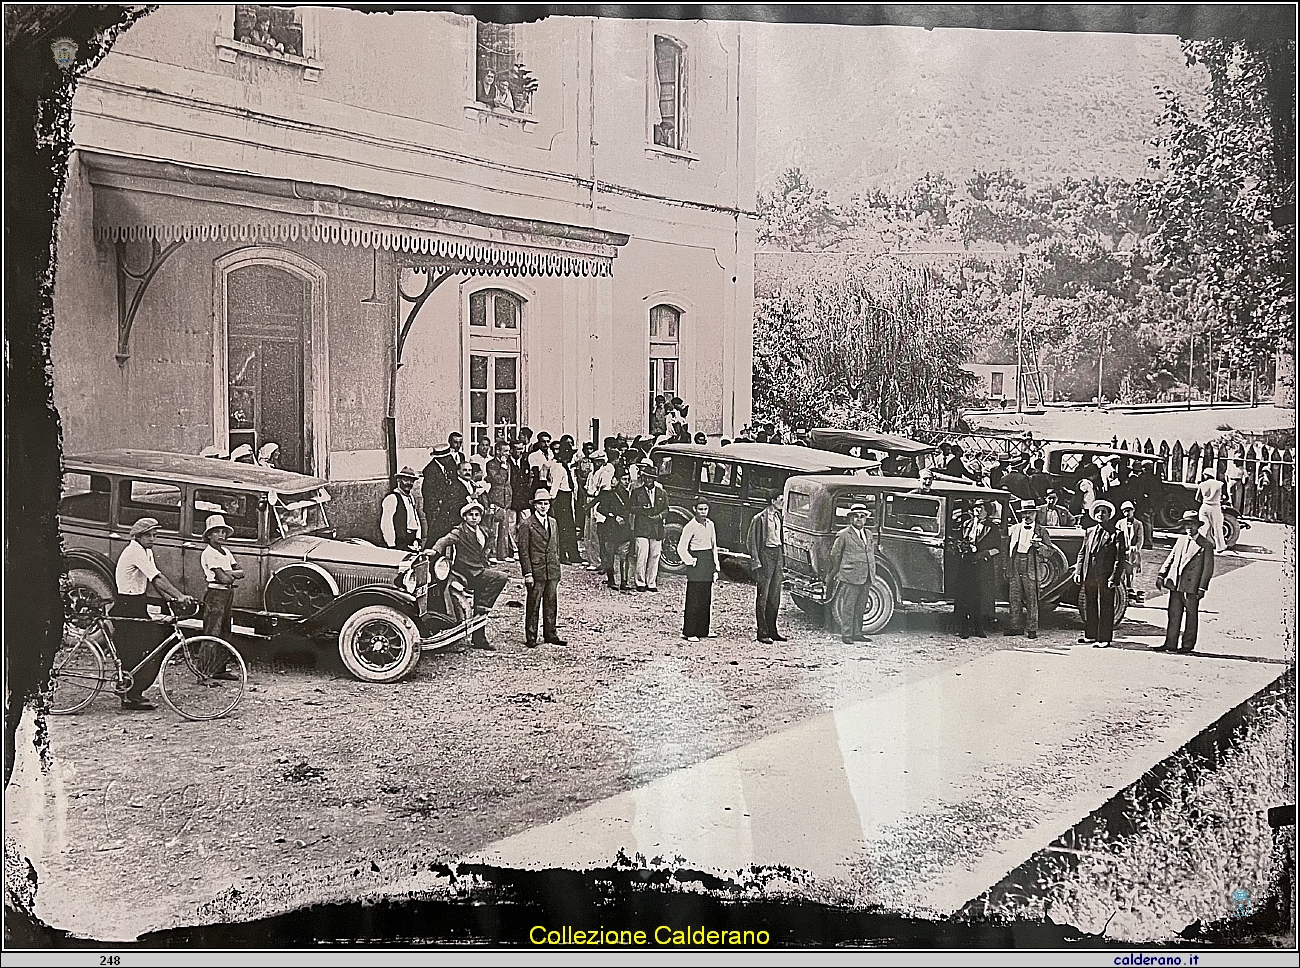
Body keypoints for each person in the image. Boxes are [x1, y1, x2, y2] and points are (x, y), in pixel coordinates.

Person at [111, 518, 197, 711]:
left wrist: (168, 600)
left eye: (154, 535)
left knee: (146, 647)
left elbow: (153, 577)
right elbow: (157, 579)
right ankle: (130, 695)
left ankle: (132, 691)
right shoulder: (135, 551)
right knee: (140, 649)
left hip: (137, 602)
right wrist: (179, 596)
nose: (153, 539)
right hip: (127, 605)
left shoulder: (145, 551)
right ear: (138, 536)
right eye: (149, 535)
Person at [432, 501, 508, 650]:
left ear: (480, 517)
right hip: (467, 572)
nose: (474, 518)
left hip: (480, 569)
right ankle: (483, 605)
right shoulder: (459, 531)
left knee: (481, 602)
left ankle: (479, 639)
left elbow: (488, 543)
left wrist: (487, 553)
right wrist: (434, 550)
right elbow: (444, 540)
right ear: (465, 517)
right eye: (470, 515)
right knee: (501, 577)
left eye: (477, 515)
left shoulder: (483, 530)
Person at [1155, 510, 1216, 654]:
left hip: (1192, 587)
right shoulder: (1181, 540)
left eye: (1192, 524)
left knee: (1191, 616)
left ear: (1197, 526)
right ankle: (1170, 643)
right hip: (1176, 584)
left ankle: (1187, 645)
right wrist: (1161, 575)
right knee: (1173, 615)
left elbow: (1207, 569)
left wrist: (1202, 588)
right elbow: (1171, 558)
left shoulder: (1206, 544)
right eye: (1186, 525)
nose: (1189, 528)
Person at [1074, 500, 1126, 647]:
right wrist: (1079, 571)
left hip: (1106, 575)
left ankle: (1104, 638)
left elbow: (1119, 558)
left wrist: (1114, 577)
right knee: (1090, 604)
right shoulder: (1089, 531)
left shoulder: (1116, 534)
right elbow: (1082, 552)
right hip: (1089, 573)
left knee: (1106, 606)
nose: (1101, 514)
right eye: (1098, 511)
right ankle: (1090, 635)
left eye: (1104, 512)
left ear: (1109, 515)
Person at [517, 488, 565, 648]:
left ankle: (550, 634)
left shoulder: (553, 522)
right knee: (534, 603)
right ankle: (531, 636)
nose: (543, 506)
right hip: (536, 570)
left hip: (551, 569)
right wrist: (528, 573)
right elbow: (523, 551)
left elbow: (555, 546)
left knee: (551, 602)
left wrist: (556, 567)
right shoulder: (527, 524)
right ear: (535, 506)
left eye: (546, 503)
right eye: (540, 504)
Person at [824, 503, 877, 644]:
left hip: (866, 576)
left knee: (861, 606)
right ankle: (847, 634)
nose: (859, 519)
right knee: (849, 606)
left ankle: (858, 633)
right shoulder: (843, 535)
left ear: (866, 519)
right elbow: (835, 555)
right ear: (850, 518)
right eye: (856, 516)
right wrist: (841, 571)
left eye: (862, 516)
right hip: (850, 576)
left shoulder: (869, 534)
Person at [199, 515, 244, 679]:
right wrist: (230, 574)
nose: (221, 535)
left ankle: (219, 669)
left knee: (225, 631)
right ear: (209, 535)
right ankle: (204, 671)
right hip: (216, 593)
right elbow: (222, 578)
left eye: (223, 532)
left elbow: (241, 572)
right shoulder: (209, 553)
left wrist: (228, 574)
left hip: (227, 593)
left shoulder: (226, 552)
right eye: (216, 532)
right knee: (212, 632)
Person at [746, 488, 787, 644]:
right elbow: (751, 542)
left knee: (775, 595)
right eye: (780, 500)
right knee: (763, 595)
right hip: (766, 555)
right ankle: (762, 632)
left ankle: (772, 629)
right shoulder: (760, 518)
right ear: (773, 501)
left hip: (777, 554)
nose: (783, 503)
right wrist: (756, 561)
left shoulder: (779, 517)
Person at [677, 500, 721, 641]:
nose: (703, 512)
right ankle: (689, 632)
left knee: (705, 597)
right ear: (695, 509)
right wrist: (691, 561)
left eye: (705, 509)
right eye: (700, 509)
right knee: (694, 597)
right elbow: (681, 548)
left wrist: (715, 566)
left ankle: (703, 630)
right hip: (696, 561)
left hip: (707, 560)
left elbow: (714, 546)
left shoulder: (711, 525)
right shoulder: (690, 526)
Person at [1004, 500, 1044, 639]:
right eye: (1025, 513)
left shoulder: (1041, 530)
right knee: (1014, 596)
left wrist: (1040, 546)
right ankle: (1016, 627)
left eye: (1030, 513)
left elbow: (1050, 551)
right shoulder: (1014, 528)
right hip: (1015, 562)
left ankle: (1032, 629)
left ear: (1035, 514)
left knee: (1031, 598)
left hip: (1030, 563)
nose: (1027, 516)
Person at [599, 470, 636, 591]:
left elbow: (628, 509)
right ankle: (611, 580)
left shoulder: (627, 494)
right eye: (624, 479)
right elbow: (601, 508)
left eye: (628, 479)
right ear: (617, 480)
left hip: (623, 528)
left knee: (623, 555)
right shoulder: (610, 494)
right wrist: (613, 516)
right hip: (611, 528)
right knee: (610, 555)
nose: (626, 482)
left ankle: (624, 582)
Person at [633, 467, 668, 592]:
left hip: (656, 528)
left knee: (655, 555)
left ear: (654, 479)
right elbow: (631, 508)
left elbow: (666, 509)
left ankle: (651, 582)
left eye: (650, 477)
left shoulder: (661, 493)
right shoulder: (637, 492)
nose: (648, 480)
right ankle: (640, 581)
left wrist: (659, 516)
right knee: (642, 555)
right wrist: (642, 508)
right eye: (646, 477)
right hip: (642, 527)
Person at [549, 437, 581, 564]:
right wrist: (552, 501)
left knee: (569, 528)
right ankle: (562, 555)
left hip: (567, 498)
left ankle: (573, 554)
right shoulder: (558, 467)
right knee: (562, 529)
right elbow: (554, 487)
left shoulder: (565, 467)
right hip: (560, 499)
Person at [421, 443, 457, 549]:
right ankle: (428, 556)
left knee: (442, 535)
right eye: (447, 457)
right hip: (435, 509)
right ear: (441, 458)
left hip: (444, 508)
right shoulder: (430, 470)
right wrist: (436, 508)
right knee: (433, 535)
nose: (449, 459)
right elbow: (428, 492)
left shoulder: (447, 466)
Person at [380, 465, 423, 551]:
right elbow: (386, 524)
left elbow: (416, 519)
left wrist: (418, 538)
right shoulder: (392, 498)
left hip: (412, 541)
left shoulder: (410, 497)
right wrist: (392, 544)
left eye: (411, 481)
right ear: (398, 480)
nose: (409, 483)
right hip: (399, 543)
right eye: (406, 480)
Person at [485, 440, 515, 561]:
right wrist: (502, 467)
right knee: (494, 529)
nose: (508, 453)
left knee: (505, 528)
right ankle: (492, 553)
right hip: (496, 499)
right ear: (498, 451)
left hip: (506, 498)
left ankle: (503, 554)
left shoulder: (508, 464)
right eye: (505, 451)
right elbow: (499, 480)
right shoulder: (491, 464)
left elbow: (508, 482)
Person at [1116, 501, 1145, 601]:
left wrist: (1135, 548)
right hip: (1122, 552)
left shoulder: (1138, 524)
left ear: (1133, 510)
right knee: (1121, 570)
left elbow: (1140, 539)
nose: (1127, 513)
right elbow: (1116, 537)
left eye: (1128, 511)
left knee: (1130, 572)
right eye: (1124, 511)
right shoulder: (1120, 523)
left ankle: (1130, 590)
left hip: (1132, 553)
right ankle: (1121, 592)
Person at [1196, 467, 1228, 553]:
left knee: (1203, 527)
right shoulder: (1220, 484)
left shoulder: (1202, 484)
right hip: (1215, 507)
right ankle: (1220, 547)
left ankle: (1198, 544)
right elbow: (1226, 497)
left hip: (1204, 506)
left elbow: (1197, 498)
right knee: (1217, 528)